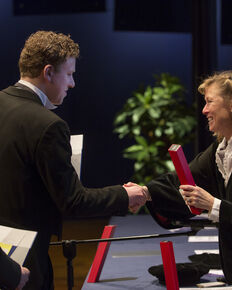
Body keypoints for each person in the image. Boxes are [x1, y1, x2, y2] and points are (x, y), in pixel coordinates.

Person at [0, 30, 146, 289]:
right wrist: (126, 196)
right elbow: (73, 202)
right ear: (48, 72)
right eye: (68, 74)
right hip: (25, 262)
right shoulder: (48, 125)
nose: (72, 83)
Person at [127, 70, 232, 289]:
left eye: (209, 102)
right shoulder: (224, 150)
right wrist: (146, 192)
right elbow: (183, 181)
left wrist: (213, 205)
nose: (204, 110)